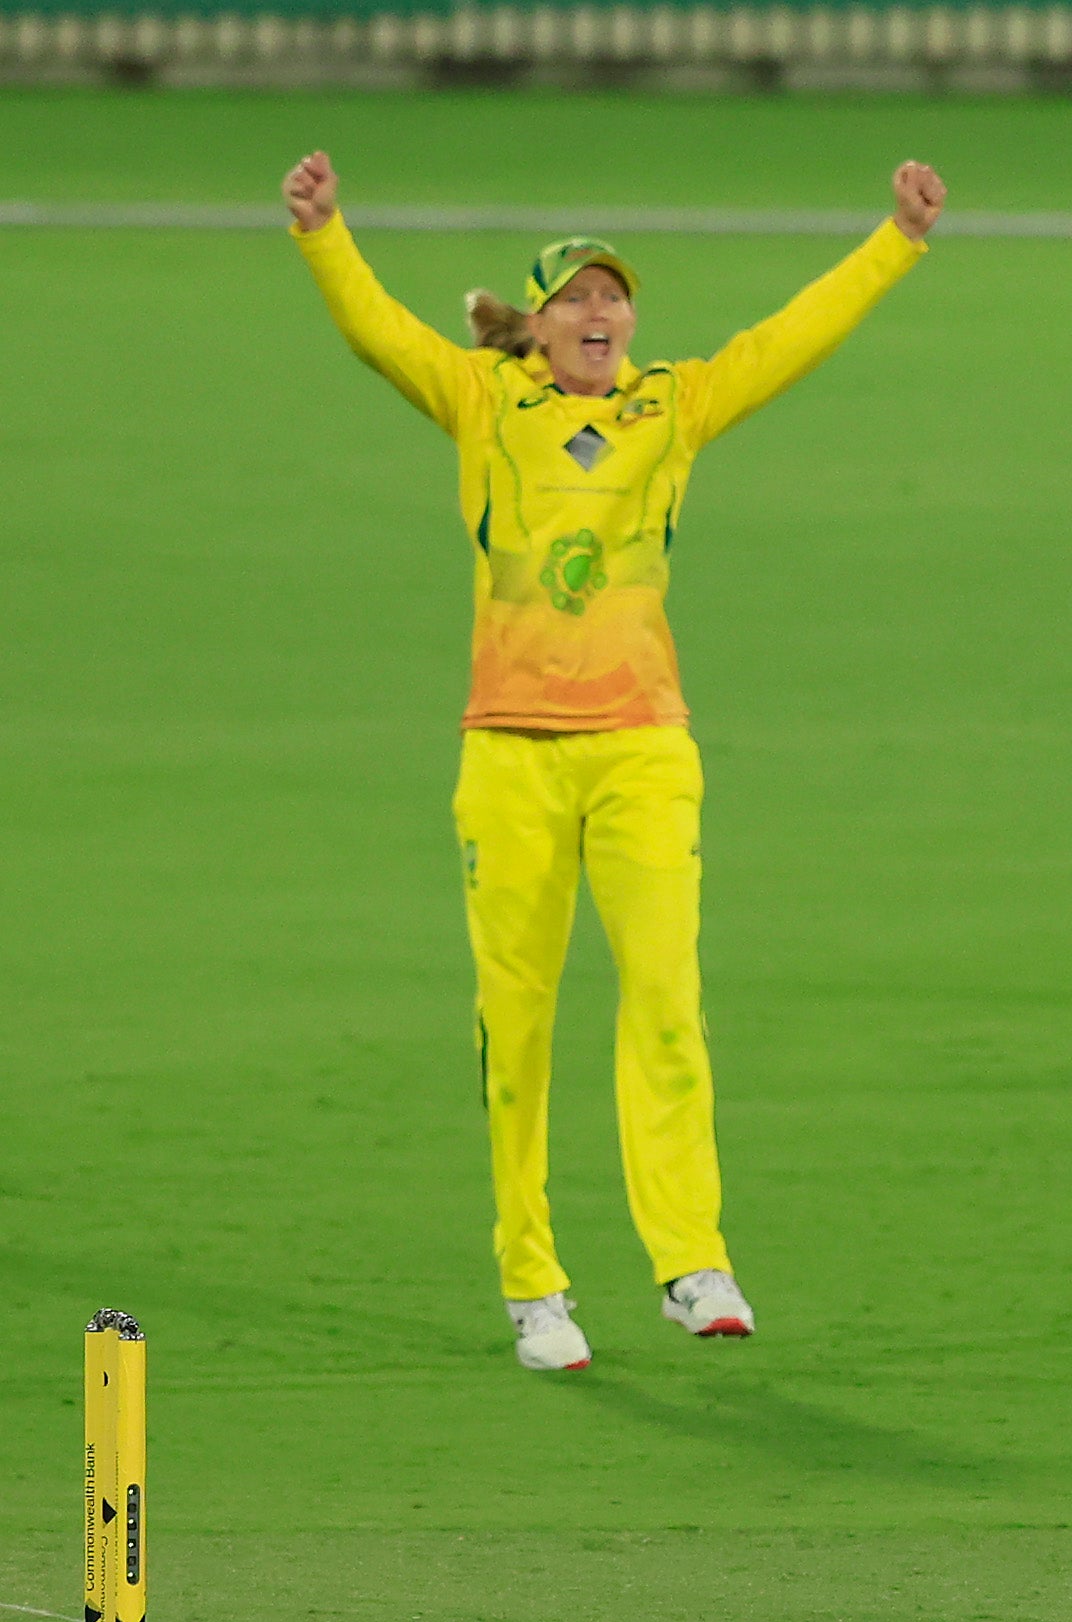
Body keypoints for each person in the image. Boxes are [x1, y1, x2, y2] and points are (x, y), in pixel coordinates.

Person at [280, 149, 946, 1370]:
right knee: (516, 1027)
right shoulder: (487, 404)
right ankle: (534, 1284)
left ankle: (693, 1260)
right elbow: (378, 335)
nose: (601, 312)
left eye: (614, 295)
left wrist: (894, 241)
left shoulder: (672, 406)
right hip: (512, 754)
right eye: (577, 297)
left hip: (644, 747)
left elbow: (789, 337)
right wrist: (324, 232)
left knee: (666, 1005)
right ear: (534, 328)